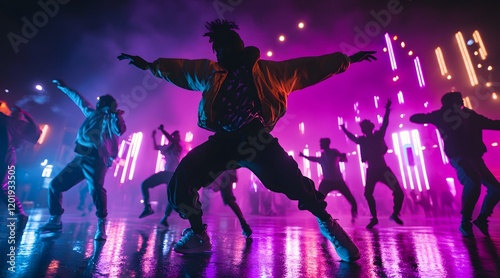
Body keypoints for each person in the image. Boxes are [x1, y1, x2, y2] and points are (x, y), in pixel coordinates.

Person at [118, 19, 376, 262]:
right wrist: (150, 65)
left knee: (293, 182)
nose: (220, 53)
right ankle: (198, 234)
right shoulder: (211, 72)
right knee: (181, 180)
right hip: (224, 140)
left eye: (225, 47)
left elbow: (306, 68)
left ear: (239, 46)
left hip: (256, 138)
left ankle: (329, 226)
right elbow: (182, 70)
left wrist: (346, 60)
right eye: (217, 49)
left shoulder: (268, 71)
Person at [39, 79, 126, 240]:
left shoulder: (111, 119)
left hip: (97, 159)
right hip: (80, 159)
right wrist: (65, 87)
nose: (99, 104)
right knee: (55, 185)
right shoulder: (92, 114)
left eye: (104, 103)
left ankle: (101, 225)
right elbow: (79, 99)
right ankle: (55, 220)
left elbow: (120, 131)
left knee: (95, 190)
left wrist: (115, 116)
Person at [410, 91, 500, 237]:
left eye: (460, 100)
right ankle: (465, 221)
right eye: (457, 101)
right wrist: (436, 116)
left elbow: (491, 123)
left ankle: (482, 219)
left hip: (476, 157)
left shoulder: (470, 115)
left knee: (496, 189)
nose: (461, 103)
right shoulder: (442, 116)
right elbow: (415, 118)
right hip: (459, 157)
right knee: (473, 181)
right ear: (448, 104)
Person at [341, 99, 404, 228]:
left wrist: (387, 110)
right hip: (374, 170)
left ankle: (394, 214)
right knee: (368, 193)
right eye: (363, 127)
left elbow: (385, 123)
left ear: (370, 127)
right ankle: (375, 217)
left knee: (398, 192)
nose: (365, 128)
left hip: (382, 169)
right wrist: (344, 130)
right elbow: (353, 138)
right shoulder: (363, 140)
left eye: (366, 126)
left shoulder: (377, 136)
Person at [0, 104, 41, 232]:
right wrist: (24, 113)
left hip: (5, 157)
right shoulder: (16, 123)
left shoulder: (11, 122)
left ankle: (20, 214)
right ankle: (20, 214)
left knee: (3, 188)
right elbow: (36, 130)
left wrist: (24, 113)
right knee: (3, 189)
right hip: (8, 156)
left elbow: (36, 131)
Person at [299, 138, 358, 223]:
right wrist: (304, 156)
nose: (320, 145)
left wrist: (342, 157)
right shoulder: (323, 156)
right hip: (328, 181)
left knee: (351, 199)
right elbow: (315, 159)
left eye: (321, 143)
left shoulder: (334, 152)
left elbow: (343, 158)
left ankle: (354, 216)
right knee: (317, 199)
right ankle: (320, 216)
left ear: (326, 144)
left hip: (337, 181)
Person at [139, 125, 182, 229]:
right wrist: (153, 137)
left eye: (178, 136)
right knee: (144, 184)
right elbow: (156, 147)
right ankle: (147, 207)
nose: (177, 138)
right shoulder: (167, 148)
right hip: (166, 173)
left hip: (173, 175)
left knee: (172, 198)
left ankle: (165, 217)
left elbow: (171, 140)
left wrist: (163, 130)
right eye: (175, 136)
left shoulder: (178, 147)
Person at [206, 169, 252, 237]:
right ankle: (244, 225)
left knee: (229, 199)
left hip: (225, 173)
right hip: (225, 173)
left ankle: (244, 225)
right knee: (228, 199)